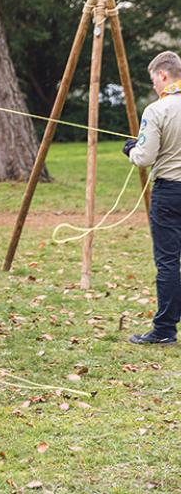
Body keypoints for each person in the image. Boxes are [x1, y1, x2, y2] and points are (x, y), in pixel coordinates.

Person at [124, 50, 181, 345]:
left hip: (170, 192)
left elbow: (144, 157)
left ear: (162, 74)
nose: (154, 87)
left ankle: (165, 330)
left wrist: (130, 150)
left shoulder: (156, 110)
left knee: (169, 262)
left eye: (153, 81)